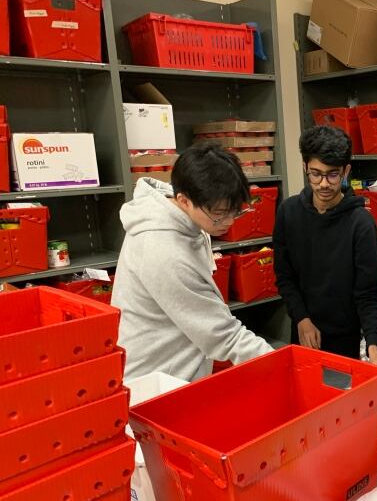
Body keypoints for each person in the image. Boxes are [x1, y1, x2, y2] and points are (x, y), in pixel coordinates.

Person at [112, 142, 274, 382]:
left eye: (235, 211)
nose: (229, 221)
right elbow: (224, 335)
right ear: (184, 200)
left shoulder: (181, 212)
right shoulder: (164, 251)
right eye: (219, 213)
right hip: (157, 382)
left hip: (178, 366)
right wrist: (282, 364)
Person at [273, 125, 377, 371]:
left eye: (332, 175)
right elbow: (284, 276)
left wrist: (374, 345)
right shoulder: (288, 212)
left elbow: (367, 293)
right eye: (315, 174)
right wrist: (302, 319)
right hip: (303, 331)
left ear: (346, 171)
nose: (324, 184)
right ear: (305, 168)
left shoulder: (361, 224)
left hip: (345, 339)